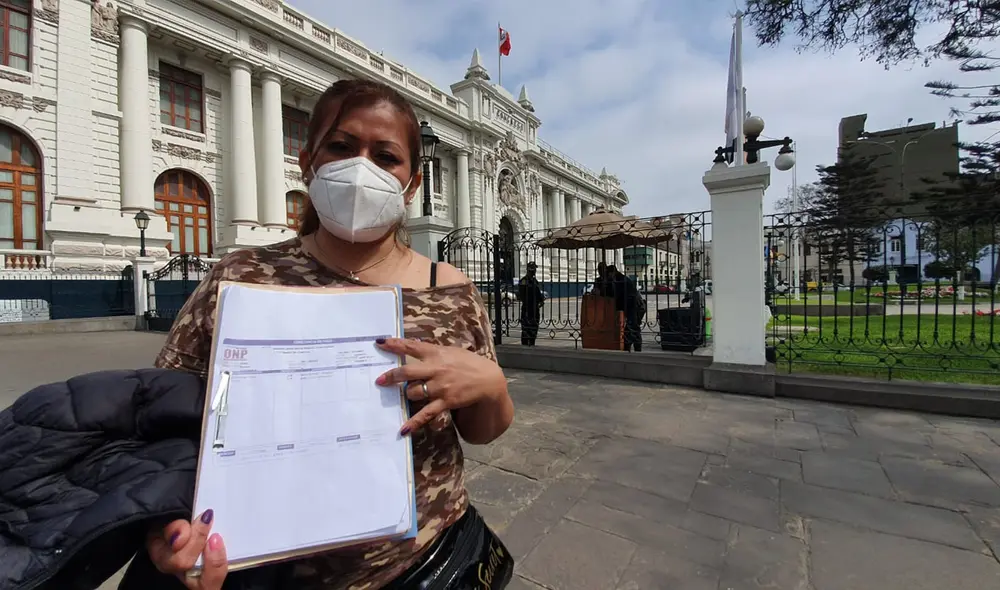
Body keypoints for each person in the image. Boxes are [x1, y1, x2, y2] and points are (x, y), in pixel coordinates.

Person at [146, 79, 515, 590]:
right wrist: (165, 530)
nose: (361, 168)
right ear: (308, 161)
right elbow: (164, 419)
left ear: (411, 183)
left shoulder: (450, 291)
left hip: (422, 559)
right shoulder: (242, 276)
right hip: (266, 570)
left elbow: (482, 429)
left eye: (386, 157)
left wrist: (490, 384)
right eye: (342, 147)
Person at [607, 264, 645, 352]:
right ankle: (630, 347)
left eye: (609, 274)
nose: (608, 276)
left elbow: (618, 295)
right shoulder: (620, 279)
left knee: (633, 327)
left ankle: (634, 347)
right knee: (631, 328)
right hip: (633, 305)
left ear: (613, 272)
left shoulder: (620, 280)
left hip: (633, 305)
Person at [518, 261, 545, 346]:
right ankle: (525, 345)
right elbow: (522, 296)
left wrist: (541, 301)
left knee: (534, 329)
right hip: (527, 309)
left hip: (535, 309)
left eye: (534, 269)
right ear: (529, 270)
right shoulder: (524, 281)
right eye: (533, 269)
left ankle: (532, 343)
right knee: (526, 330)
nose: (534, 271)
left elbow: (538, 294)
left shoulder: (535, 281)